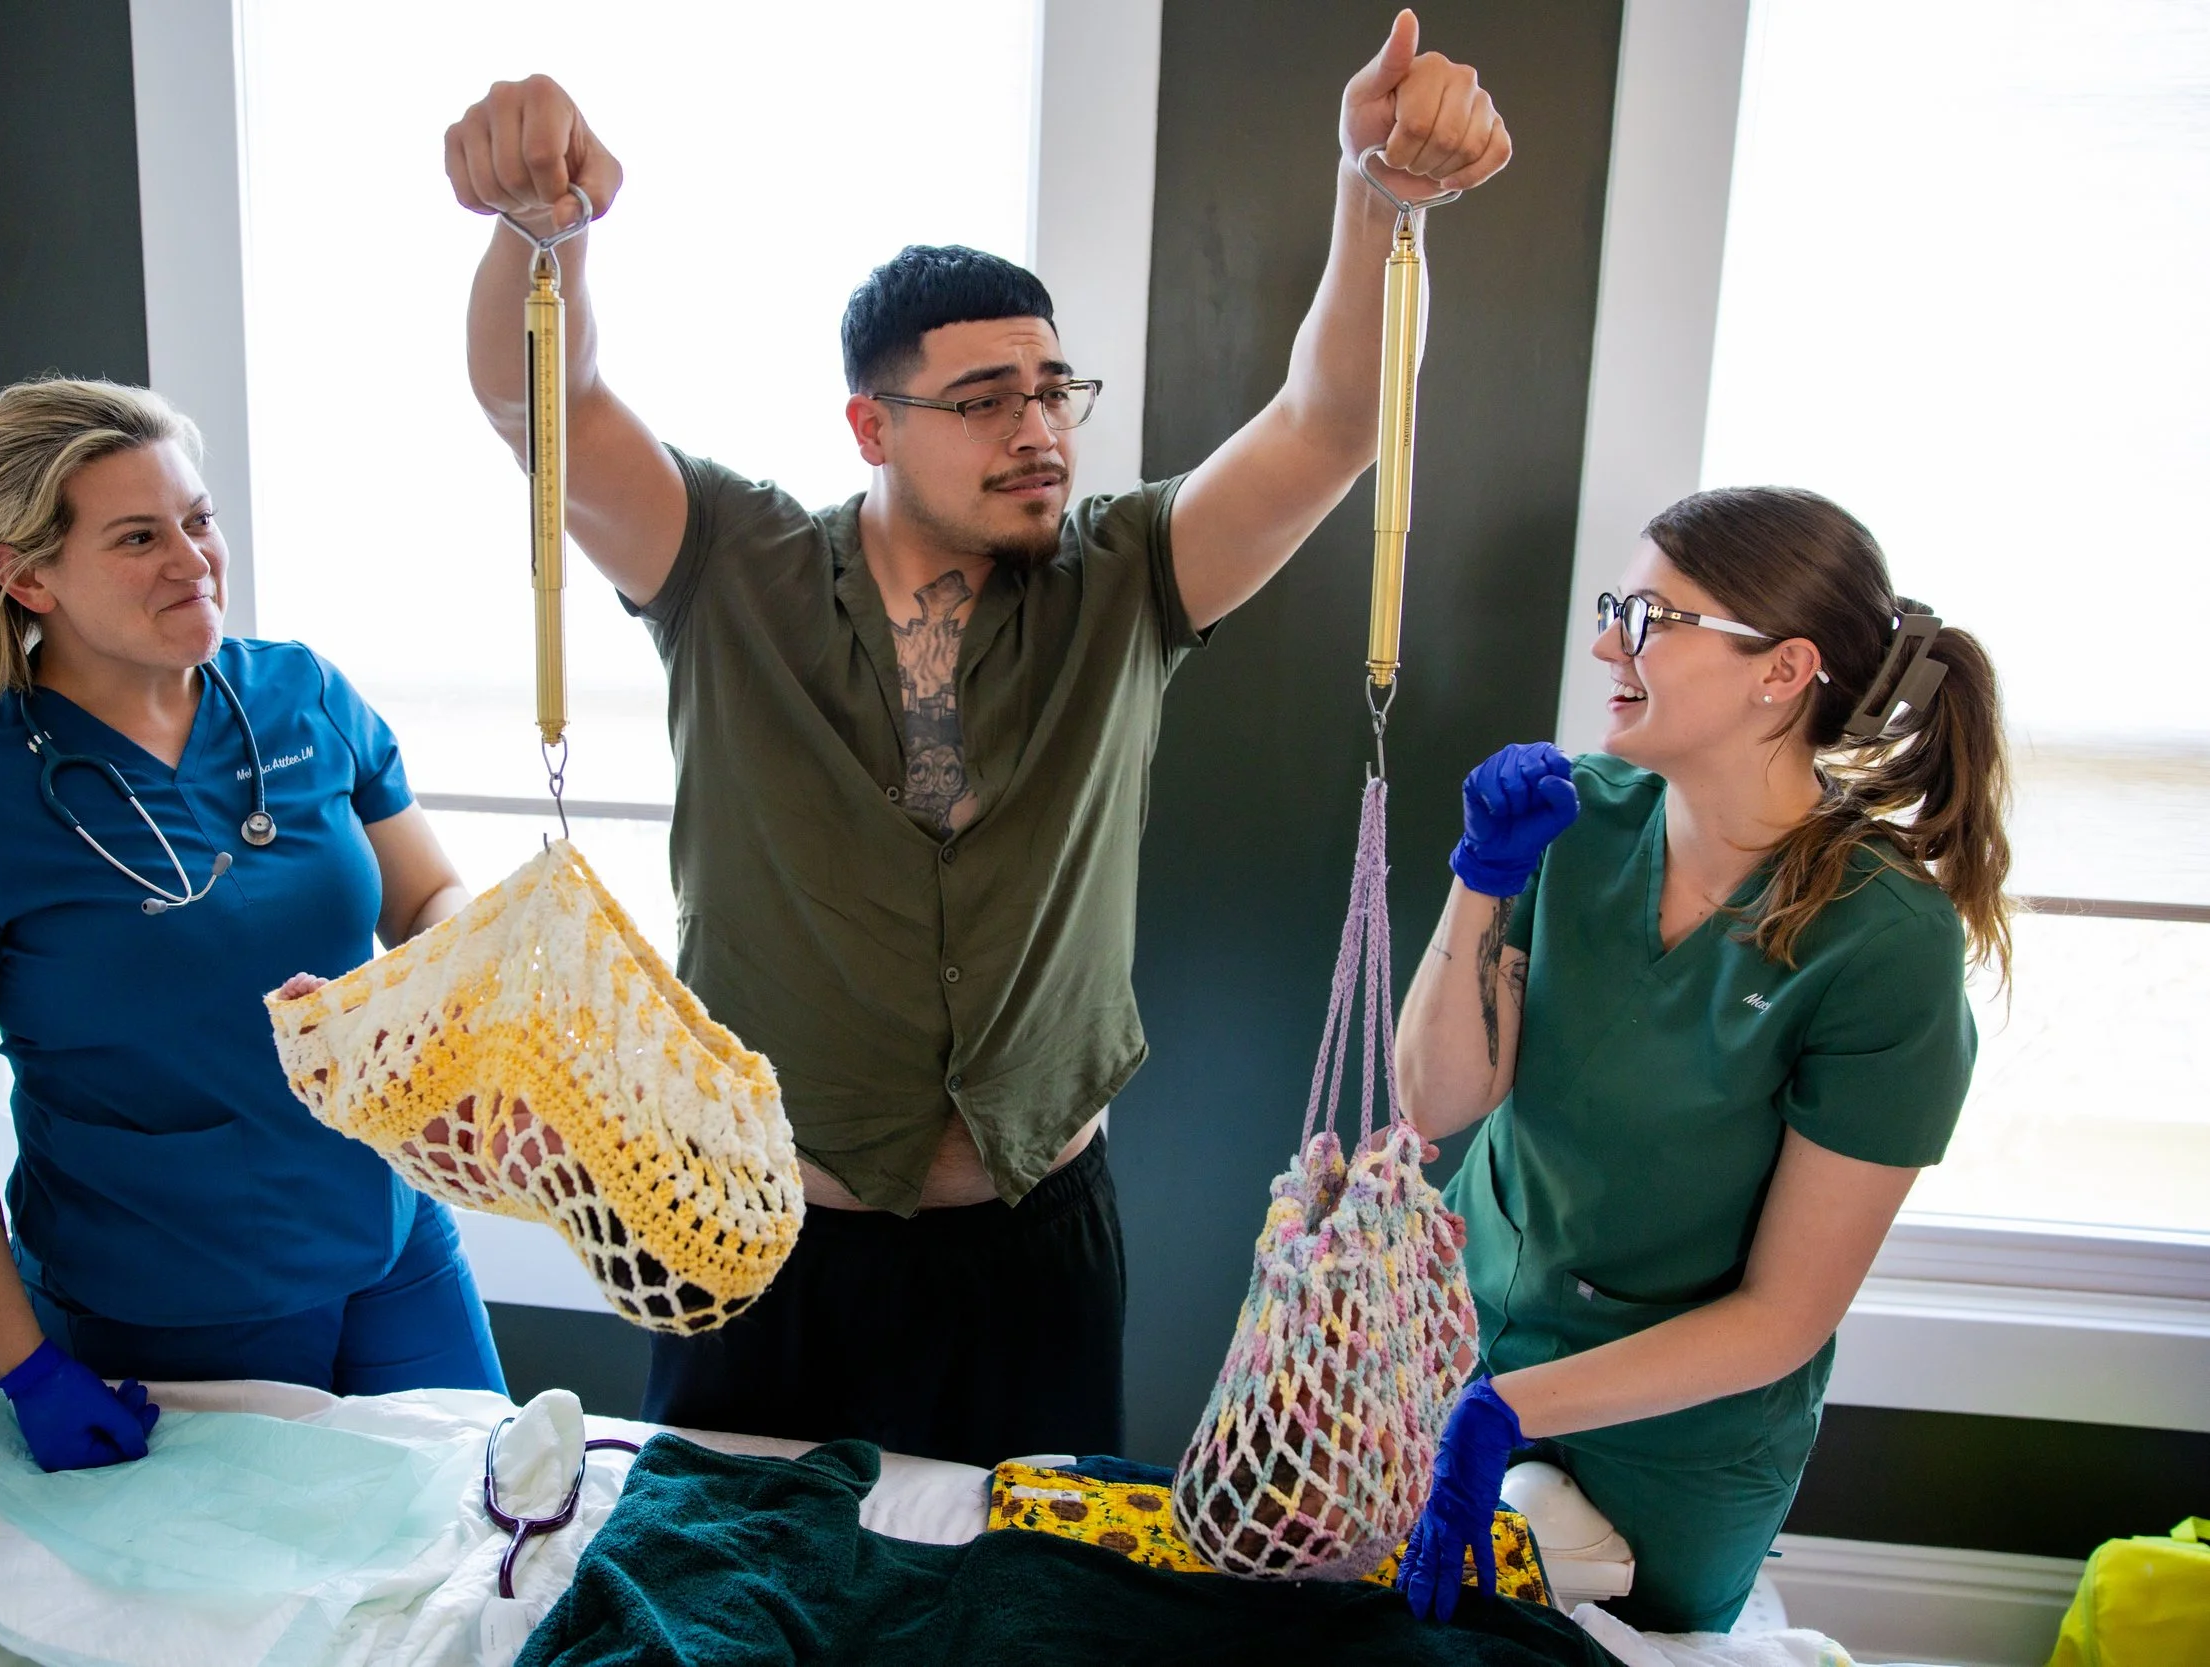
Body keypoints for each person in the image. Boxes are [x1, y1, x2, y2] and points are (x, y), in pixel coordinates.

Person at [441, 11, 1509, 1465]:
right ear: (871, 427)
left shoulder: (1129, 577)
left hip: (1033, 1250)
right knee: (728, 1594)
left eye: (1054, 389)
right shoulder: (727, 562)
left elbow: (1331, 419)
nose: (1041, 430)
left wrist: (1378, 200)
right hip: (758, 1237)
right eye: (985, 399)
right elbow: (534, 399)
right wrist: (538, 236)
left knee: (1019, 1604)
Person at [0, 379, 506, 1473]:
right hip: (166, 1308)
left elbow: (428, 898)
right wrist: (24, 1368)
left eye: (198, 520)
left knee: (492, 1548)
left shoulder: (302, 694)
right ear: (27, 575)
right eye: (139, 536)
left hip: (391, 1245)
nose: (194, 559)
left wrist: (416, 994)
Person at [1392, 487, 2012, 1631]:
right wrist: (1478, 883)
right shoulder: (1577, 820)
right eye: (1612, 605)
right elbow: (1436, 1101)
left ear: (1781, 670)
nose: (1602, 642)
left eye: (1648, 615)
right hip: (1469, 1342)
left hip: (1675, 1437)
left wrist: (1506, 1411)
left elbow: (1782, 1314)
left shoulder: (1884, 947)